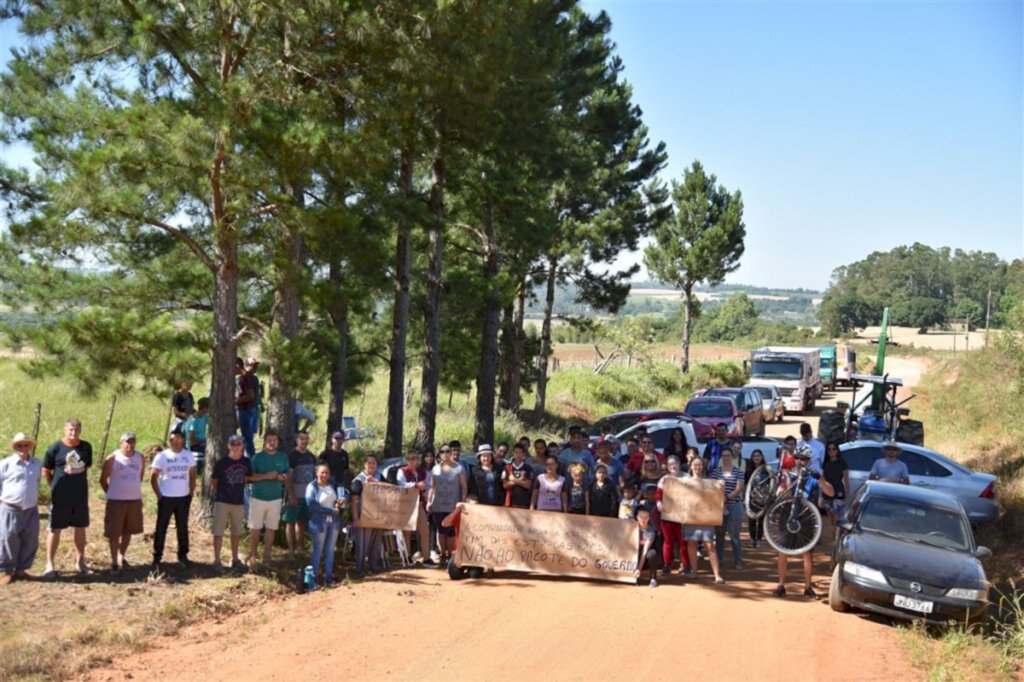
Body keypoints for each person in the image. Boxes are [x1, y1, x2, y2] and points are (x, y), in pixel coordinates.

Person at [772, 445, 825, 598]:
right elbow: (780, 494)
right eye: (798, 458)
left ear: (809, 461)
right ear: (794, 459)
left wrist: (821, 479)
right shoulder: (787, 474)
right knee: (783, 550)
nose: (801, 461)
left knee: (807, 552)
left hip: (805, 515)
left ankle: (808, 587)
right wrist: (786, 484)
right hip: (788, 512)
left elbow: (830, 491)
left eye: (804, 459)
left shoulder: (812, 477)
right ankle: (781, 585)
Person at [43, 418, 93, 577]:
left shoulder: (86, 447)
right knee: (55, 529)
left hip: (80, 496)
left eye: (76, 429)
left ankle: (80, 562)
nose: (73, 433)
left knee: (80, 528)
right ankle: (49, 564)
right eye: (70, 429)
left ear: (80, 430)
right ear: (65, 430)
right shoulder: (55, 448)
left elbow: (87, 467)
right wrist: (53, 487)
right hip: (60, 497)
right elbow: (46, 470)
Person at [0, 433, 43, 584]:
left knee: (30, 539)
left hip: (30, 508)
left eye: (26, 445)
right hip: (10, 508)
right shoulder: (5, 464)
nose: (23, 448)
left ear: (30, 446)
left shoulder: (37, 463)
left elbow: (37, 482)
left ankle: (21, 570)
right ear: (14, 447)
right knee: (8, 539)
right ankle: (8, 571)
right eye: (19, 445)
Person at [150, 429, 196, 570]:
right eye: (172, 440)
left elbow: (192, 476)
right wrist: (159, 495)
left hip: (183, 497)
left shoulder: (188, 456)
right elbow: (153, 477)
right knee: (161, 527)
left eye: (177, 439)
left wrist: (190, 493)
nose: (175, 442)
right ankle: (157, 556)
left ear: (183, 440)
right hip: (166, 497)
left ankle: (183, 555)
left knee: (182, 527)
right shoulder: (162, 456)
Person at [99, 432, 144, 572]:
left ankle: (121, 556)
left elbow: (140, 477)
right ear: (121, 443)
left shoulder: (140, 457)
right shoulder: (113, 458)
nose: (130, 445)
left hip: (134, 500)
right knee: (114, 533)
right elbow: (102, 479)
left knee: (128, 531)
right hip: (116, 501)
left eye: (132, 441)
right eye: (127, 442)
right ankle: (114, 561)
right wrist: (111, 493)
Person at [247, 430, 289, 569]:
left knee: (271, 529)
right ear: (264, 442)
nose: (271, 443)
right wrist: (266, 476)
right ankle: (253, 556)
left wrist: (281, 477)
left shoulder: (282, 457)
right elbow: (249, 477)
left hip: (275, 498)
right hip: (258, 498)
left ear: (278, 442)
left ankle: (267, 557)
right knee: (255, 528)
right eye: (269, 440)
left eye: (274, 440)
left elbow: (286, 474)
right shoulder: (257, 458)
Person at [210, 434, 251, 570]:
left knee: (236, 532)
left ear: (242, 446)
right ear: (228, 446)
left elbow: (247, 478)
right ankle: (217, 560)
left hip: (238, 501)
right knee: (218, 532)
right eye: (233, 444)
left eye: (238, 444)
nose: (235, 447)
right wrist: (223, 491)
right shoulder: (221, 462)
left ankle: (235, 559)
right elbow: (214, 481)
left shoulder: (246, 462)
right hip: (222, 500)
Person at [683, 457, 724, 584]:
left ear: (703, 466)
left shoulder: (710, 482)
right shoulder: (685, 482)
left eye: (700, 464)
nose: (697, 467)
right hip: (690, 517)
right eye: (695, 464)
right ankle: (694, 572)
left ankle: (717, 575)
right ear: (691, 466)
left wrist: (720, 486)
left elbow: (716, 498)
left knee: (709, 544)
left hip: (706, 518)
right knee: (691, 544)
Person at [306, 463, 347, 586]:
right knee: (318, 550)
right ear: (316, 473)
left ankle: (328, 578)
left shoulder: (333, 483)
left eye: (327, 473)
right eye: (322, 473)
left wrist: (343, 498)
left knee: (330, 550)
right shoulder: (312, 486)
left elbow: (344, 493)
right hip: (318, 522)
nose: (324, 475)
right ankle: (314, 579)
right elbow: (311, 504)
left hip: (333, 522)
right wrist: (331, 511)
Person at [427, 446, 467, 568]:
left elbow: (463, 486)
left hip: (453, 506)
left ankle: (450, 555)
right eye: (442, 452)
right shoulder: (435, 469)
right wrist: (429, 502)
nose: (445, 454)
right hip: (437, 505)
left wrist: (463, 501)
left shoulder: (459, 468)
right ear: (439, 454)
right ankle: (443, 555)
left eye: (448, 451)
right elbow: (432, 487)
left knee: (451, 532)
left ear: (451, 453)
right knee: (440, 531)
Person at [711, 447, 746, 570]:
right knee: (719, 534)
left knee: (734, 534)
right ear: (721, 457)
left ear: (732, 457)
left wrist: (726, 497)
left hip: (735, 505)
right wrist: (721, 500)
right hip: (719, 507)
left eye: (728, 455)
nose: (726, 458)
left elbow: (739, 488)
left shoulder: (738, 472)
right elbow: (712, 487)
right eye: (724, 456)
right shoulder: (716, 472)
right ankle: (719, 560)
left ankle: (738, 560)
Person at [396, 449, 433, 565]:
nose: (412, 461)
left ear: (418, 460)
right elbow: (401, 484)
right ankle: (407, 558)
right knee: (407, 532)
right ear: (406, 460)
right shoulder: (402, 471)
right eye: (410, 458)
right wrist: (416, 485)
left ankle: (426, 558)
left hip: (419, 504)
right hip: (406, 504)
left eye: (415, 458)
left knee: (425, 531)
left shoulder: (423, 473)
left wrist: (426, 495)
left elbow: (428, 486)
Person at [351, 454, 385, 576]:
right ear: (364, 464)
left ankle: (373, 566)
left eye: (373, 463)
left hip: (378, 515)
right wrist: (356, 517)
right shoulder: (358, 480)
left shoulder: (380, 476)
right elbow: (354, 500)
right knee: (362, 544)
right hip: (363, 515)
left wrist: (375, 482)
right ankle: (360, 569)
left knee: (375, 542)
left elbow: (389, 489)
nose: (371, 465)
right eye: (369, 463)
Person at [284, 431, 317, 558]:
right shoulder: (292, 456)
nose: (304, 441)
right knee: (291, 522)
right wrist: (291, 495)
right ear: (296, 440)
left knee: (301, 522)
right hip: (295, 494)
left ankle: (299, 548)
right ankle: (291, 550)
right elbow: (288, 477)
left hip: (307, 496)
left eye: (306, 438)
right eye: (301, 438)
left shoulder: (311, 456)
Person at [656, 456, 690, 575]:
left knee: (683, 541)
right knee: (668, 540)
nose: (672, 466)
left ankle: (686, 565)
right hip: (668, 515)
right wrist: (659, 503)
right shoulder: (664, 479)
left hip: (683, 515)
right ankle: (667, 565)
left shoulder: (687, 477)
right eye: (670, 464)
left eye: (674, 463)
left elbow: (692, 494)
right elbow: (658, 495)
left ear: (679, 463)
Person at [440, 497, 483, 580]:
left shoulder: (482, 518)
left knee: (475, 575)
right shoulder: (460, 515)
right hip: (459, 552)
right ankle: (452, 566)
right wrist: (457, 510)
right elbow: (444, 523)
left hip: (475, 553)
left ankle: (471, 569)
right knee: (454, 574)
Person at [821, 442, 851, 532]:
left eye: (834, 449)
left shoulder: (842, 462)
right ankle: (833, 535)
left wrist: (847, 495)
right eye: (829, 449)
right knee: (830, 519)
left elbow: (846, 480)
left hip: (839, 493)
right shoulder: (825, 464)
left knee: (837, 518)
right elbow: (823, 481)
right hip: (827, 494)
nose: (831, 451)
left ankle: (837, 536)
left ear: (837, 450)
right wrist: (820, 496)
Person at [235, 357, 260, 457]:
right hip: (253, 409)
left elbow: (251, 395)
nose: (255, 368)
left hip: (246, 410)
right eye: (252, 366)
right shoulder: (252, 378)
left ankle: (251, 459)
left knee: (247, 438)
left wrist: (236, 402)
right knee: (249, 437)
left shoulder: (245, 378)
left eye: (255, 366)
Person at [744, 449, 767, 548]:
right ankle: (752, 539)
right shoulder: (749, 469)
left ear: (762, 457)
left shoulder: (766, 470)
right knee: (752, 519)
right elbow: (745, 483)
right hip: (751, 498)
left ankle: (759, 539)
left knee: (761, 520)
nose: (756, 458)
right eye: (754, 456)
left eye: (758, 456)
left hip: (763, 498)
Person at [501, 442, 534, 509]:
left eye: (520, 453)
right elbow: (505, 485)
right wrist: (520, 480)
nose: (518, 455)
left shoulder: (528, 468)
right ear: (513, 453)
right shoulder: (507, 467)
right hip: (510, 503)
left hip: (524, 503)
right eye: (516, 452)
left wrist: (513, 479)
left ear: (523, 454)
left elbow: (528, 485)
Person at [634, 507, 660, 588]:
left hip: (644, 557)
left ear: (649, 518)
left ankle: (653, 579)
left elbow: (644, 552)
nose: (643, 520)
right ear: (637, 517)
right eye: (641, 517)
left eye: (646, 517)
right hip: (633, 554)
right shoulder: (631, 527)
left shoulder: (650, 531)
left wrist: (639, 569)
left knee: (652, 554)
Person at [184, 397, 209, 478]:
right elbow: (192, 441)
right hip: (194, 446)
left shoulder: (204, 416)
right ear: (204, 408)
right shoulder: (193, 420)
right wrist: (204, 442)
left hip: (201, 443)